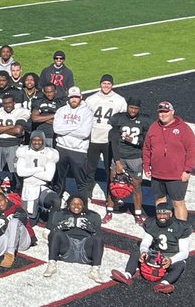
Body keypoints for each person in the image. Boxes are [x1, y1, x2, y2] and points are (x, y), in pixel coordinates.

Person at [112, 202, 192, 294]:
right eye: (159, 214)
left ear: (171, 214)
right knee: (136, 253)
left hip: (171, 256)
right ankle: (127, 275)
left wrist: (171, 260)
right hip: (154, 254)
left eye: (165, 214)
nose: (161, 216)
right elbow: (145, 242)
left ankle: (164, 284)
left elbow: (184, 252)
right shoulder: (152, 223)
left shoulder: (181, 227)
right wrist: (144, 252)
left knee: (180, 264)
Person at [143, 100, 195, 222]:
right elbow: (146, 148)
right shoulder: (154, 127)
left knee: (178, 203)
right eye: (161, 112)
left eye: (166, 112)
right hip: (157, 174)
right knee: (159, 201)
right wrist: (146, 166)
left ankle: (181, 228)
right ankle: (162, 226)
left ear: (172, 112)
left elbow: (192, 150)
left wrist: (188, 170)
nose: (163, 114)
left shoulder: (184, 129)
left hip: (176, 175)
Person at [83, 74, 126, 221]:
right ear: (100, 84)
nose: (106, 86)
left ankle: (112, 195)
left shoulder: (119, 100)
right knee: (90, 168)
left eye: (108, 83)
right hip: (94, 138)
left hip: (109, 140)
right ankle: (87, 194)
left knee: (111, 171)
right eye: (104, 83)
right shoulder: (92, 99)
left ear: (112, 85)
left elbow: (124, 119)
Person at [109, 96, 153, 225]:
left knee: (136, 187)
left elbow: (148, 142)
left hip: (136, 157)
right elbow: (114, 141)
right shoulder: (119, 118)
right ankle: (109, 210)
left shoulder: (145, 120)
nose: (133, 110)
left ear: (139, 109)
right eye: (131, 107)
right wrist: (117, 161)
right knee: (113, 184)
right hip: (120, 156)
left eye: (136, 108)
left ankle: (138, 214)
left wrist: (135, 141)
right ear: (127, 107)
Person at [44, 195, 104, 281]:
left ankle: (95, 270)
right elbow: (50, 236)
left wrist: (91, 229)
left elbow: (99, 237)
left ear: (84, 205)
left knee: (97, 238)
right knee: (56, 233)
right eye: (73, 204)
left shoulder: (93, 216)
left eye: (79, 204)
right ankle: (52, 264)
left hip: (85, 247)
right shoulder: (60, 214)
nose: (76, 206)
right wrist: (60, 226)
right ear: (68, 205)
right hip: (67, 246)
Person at [52, 86, 92, 201]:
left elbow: (84, 133)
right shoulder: (61, 111)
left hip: (79, 151)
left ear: (81, 97)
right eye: (71, 97)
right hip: (61, 148)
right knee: (58, 180)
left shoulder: (87, 112)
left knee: (81, 182)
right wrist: (76, 127)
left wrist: (66, 128)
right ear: (68, 98)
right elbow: (57, 129)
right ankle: (56, 205)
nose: (74, 99)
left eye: (76, 97)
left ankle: (84, 208)